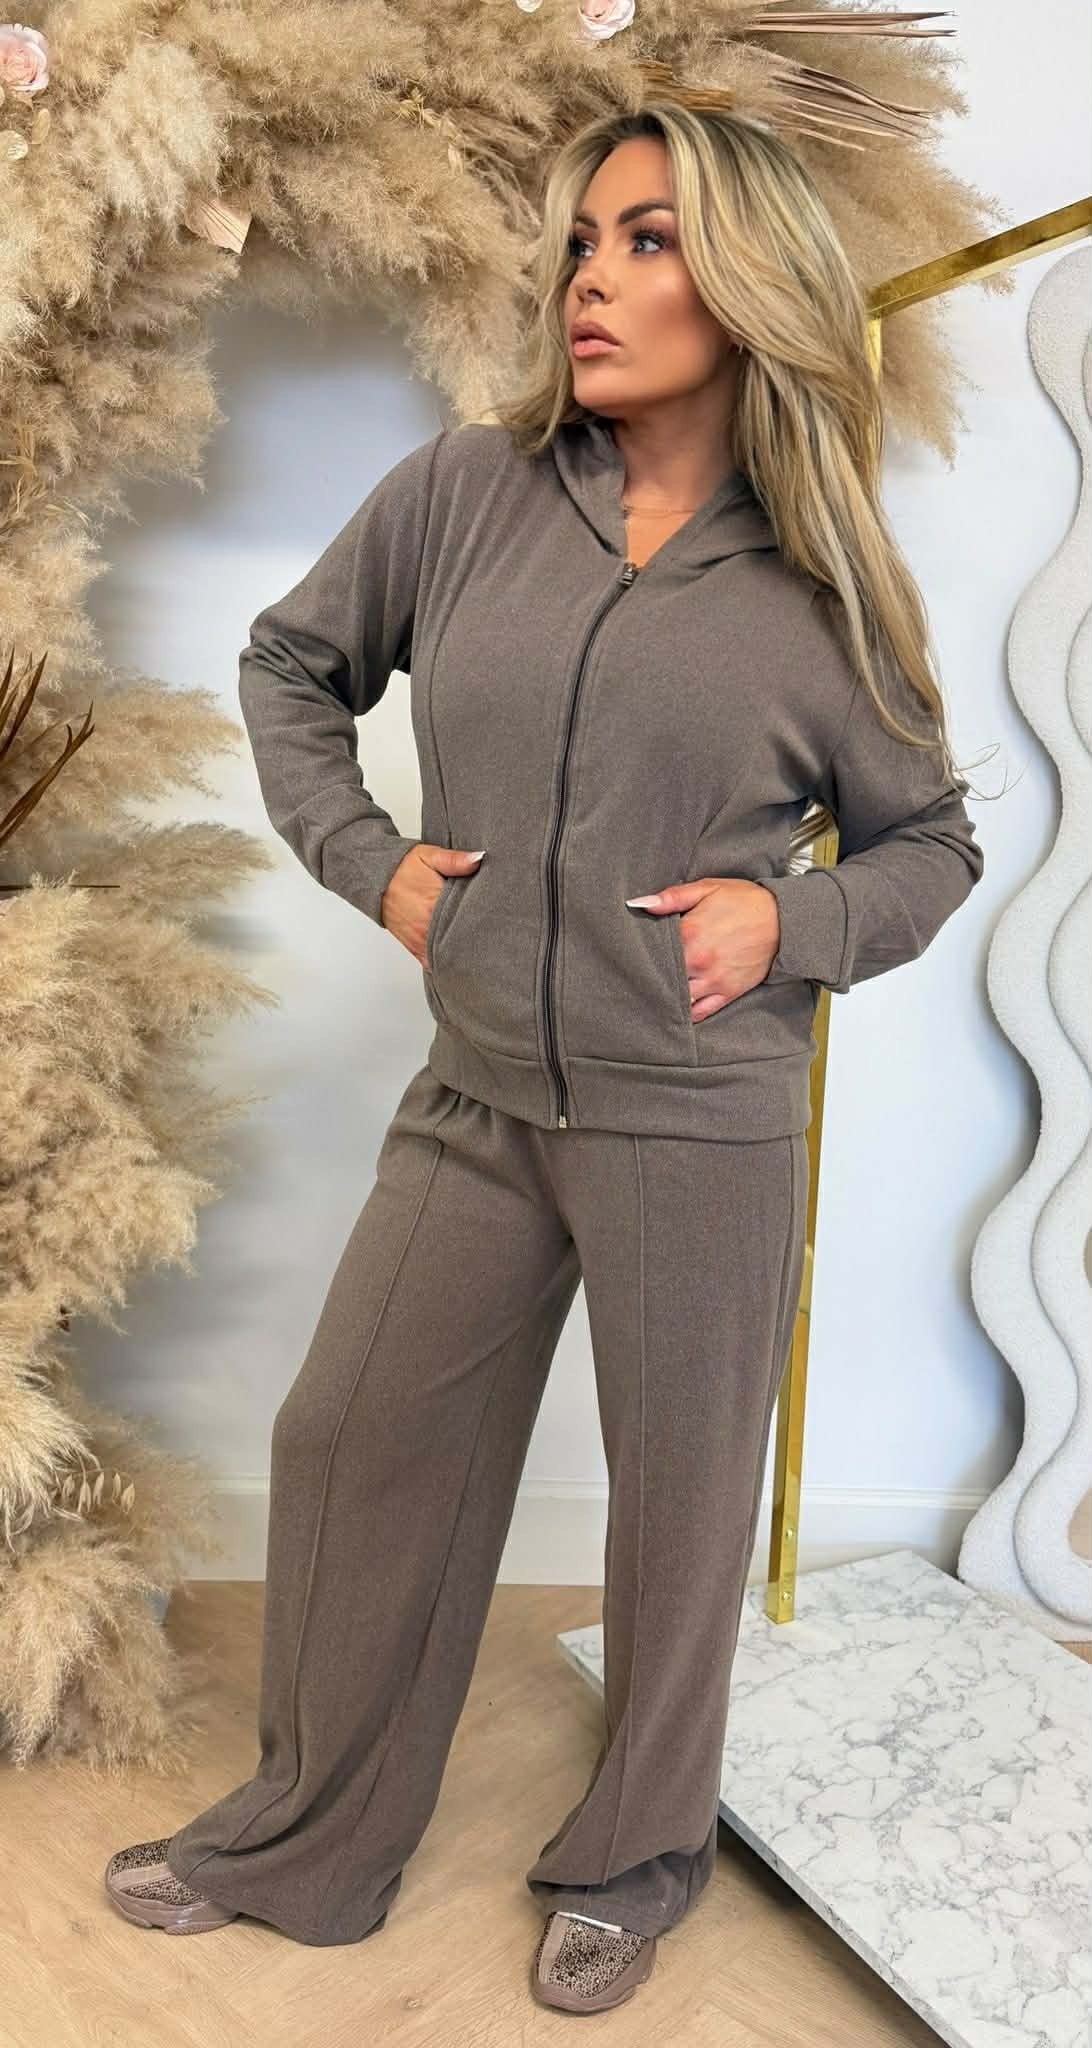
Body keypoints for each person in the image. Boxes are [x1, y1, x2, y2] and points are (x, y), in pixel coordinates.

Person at [104, 100, 985, 2016]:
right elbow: (288, 665)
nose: (592, 278)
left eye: (649, 241)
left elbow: (932, 843)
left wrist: (791, 927)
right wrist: (376, 866)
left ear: (745, 285)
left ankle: (634, 1863)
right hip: (481, 1095)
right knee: (350, 1440)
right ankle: (307, 1838)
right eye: (585, 239)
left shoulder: (820, 585)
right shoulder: (466, 492)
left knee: (679, 1512)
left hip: (703, 1117)